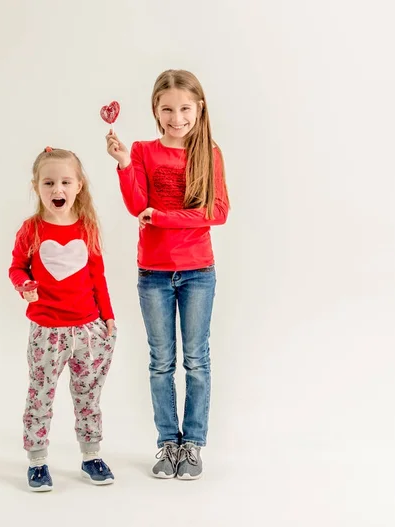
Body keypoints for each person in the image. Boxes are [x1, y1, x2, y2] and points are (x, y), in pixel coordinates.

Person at [105, 69, 230, 479]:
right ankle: (167, 443)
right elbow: (135, 206)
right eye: (167, 109)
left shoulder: (208, 153)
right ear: (155, 112)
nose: (177, 118)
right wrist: (124, 165)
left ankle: (192, 443)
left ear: (200, 108)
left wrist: (162, 217)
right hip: (154, 273)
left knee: (197, 360)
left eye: (185, 109)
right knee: (161, 362)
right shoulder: (142, 150)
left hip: (198, 272)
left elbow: (217, 213)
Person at [9, 146, 117, 491]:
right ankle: (37, 460)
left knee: (88, 395)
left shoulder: (87, 228)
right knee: (41, 393)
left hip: (88, 328)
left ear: (79, 185)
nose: (58, 189)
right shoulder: (31, 229)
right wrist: (23, 284)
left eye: (65, 182)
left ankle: (91, 455)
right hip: (47, 331)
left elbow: (98, 276)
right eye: (49, 182)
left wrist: (108, 317)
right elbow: (16, 267)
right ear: (36, 186)